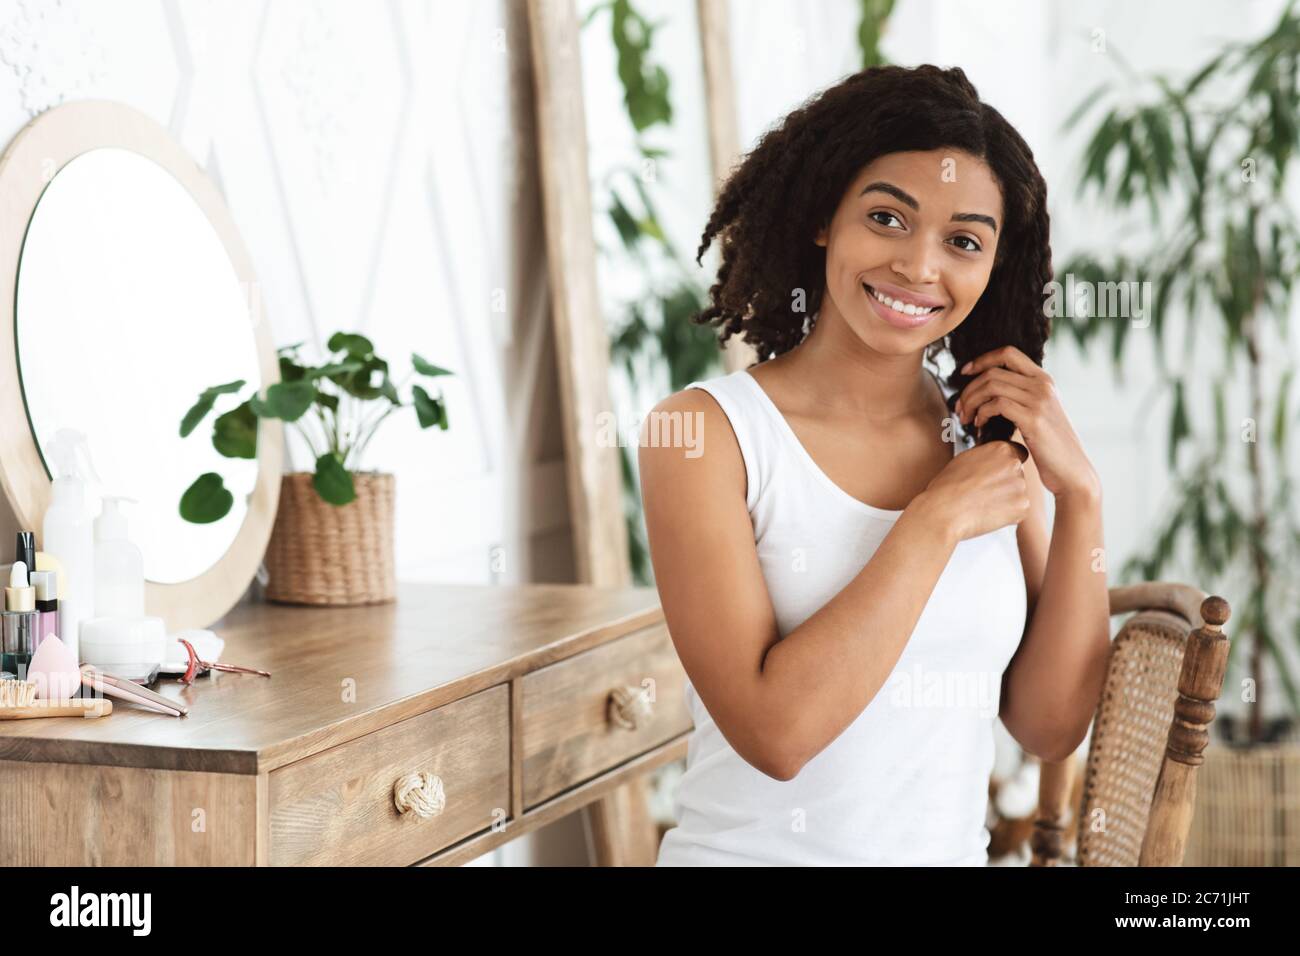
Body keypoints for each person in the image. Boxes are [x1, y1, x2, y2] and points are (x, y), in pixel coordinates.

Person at [640, 64, 1110, 866]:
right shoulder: (704, 435)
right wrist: (933, 521)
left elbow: (1048, 725)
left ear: (992, 265)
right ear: (825, 217)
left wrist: (1083, 500)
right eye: (888, 218)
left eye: (963, 240)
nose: (919, 267)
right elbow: (777, 735)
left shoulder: (993, 445)